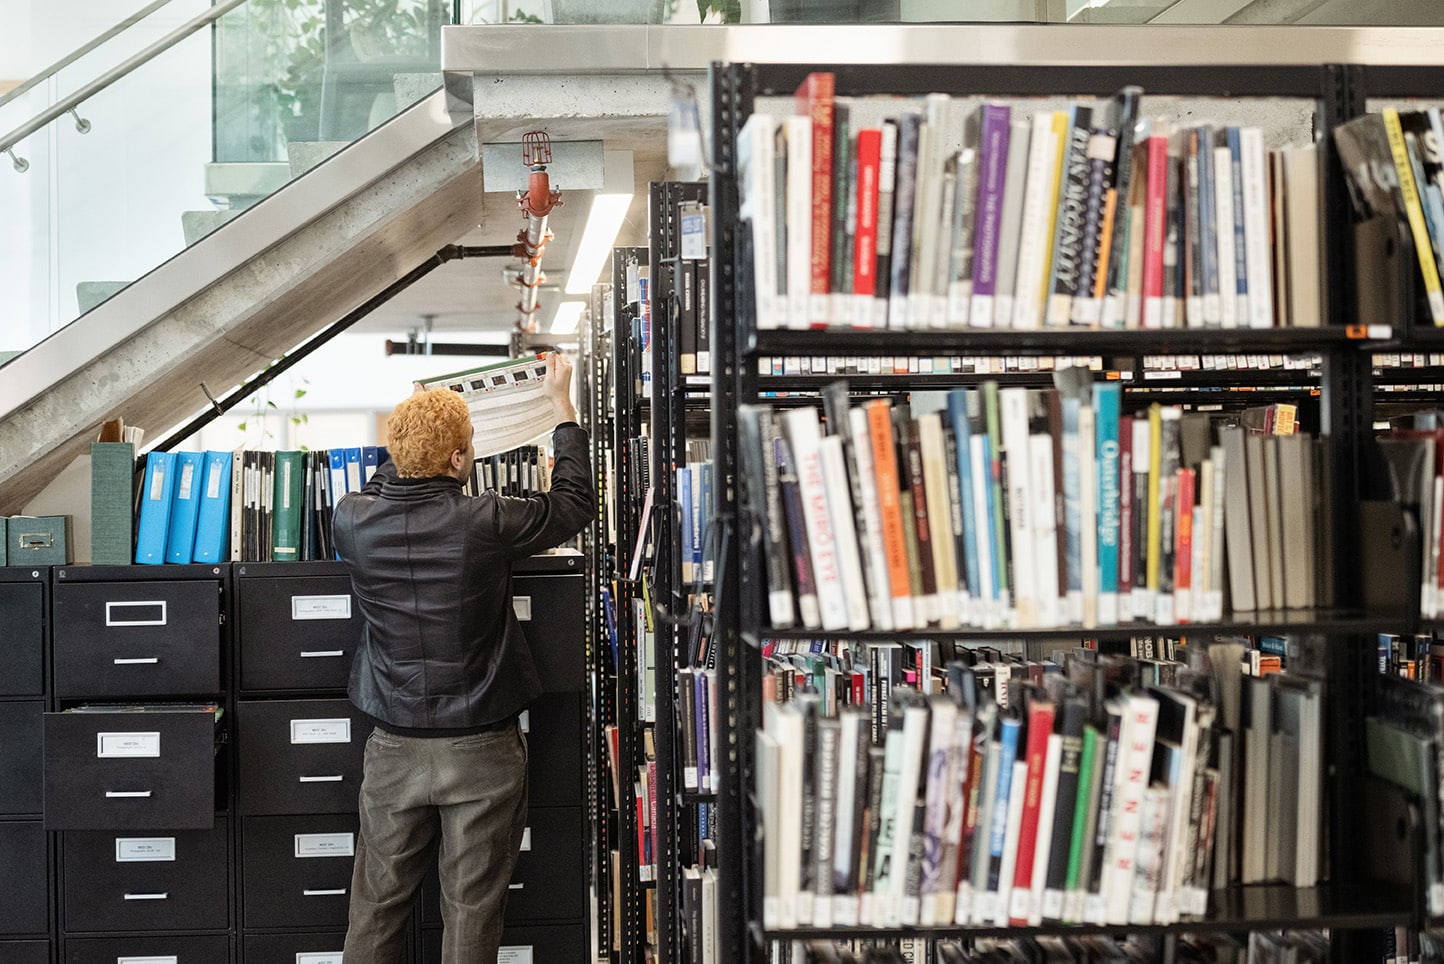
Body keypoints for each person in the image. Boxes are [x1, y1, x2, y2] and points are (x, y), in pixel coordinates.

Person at [332, 352, 593, 964]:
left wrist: (415, 424)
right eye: (468, 447)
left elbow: (383, 483)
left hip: (393, 746)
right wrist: (562, 407)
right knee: (472, 912)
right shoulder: (486, 519)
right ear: (458, 461)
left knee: (375, 907)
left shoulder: (352, 521)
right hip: (481, 748)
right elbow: (574, 502)